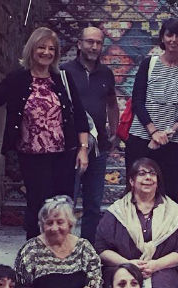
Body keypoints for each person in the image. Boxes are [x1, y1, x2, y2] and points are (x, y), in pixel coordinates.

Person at [0, 27, 90, 239]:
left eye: (51, 49)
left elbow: (79, 114)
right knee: (38, 204)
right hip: (32, 156)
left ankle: (61, 247)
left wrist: (83, 149)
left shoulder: (63, 78)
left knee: (63, 204)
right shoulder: (17, 79)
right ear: (32, 49)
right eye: (41, 47)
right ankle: (34, 247)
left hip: (64, 154)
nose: (46, 52)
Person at [95, 158, 178, 288]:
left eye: (152, 173)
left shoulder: (174, 212)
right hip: (123, 267)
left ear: (158, 180)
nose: (148, 177)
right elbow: (101, 249)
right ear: (132, 181)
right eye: (142, 173)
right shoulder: (117, 212)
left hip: (162, 269)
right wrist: (128, 264)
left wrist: (155, 265)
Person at [125, 17, 178, 204]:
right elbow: (138, 102)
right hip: (142, 140)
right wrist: (154, 132)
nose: (174, 40)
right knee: (138, 194)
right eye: (169, 35)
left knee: (171, 197)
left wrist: (169, 133)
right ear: (162, 37)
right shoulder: (148, 64)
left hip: (175, 144)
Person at [61, 26, 119, 243]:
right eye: (90, 42)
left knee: (93, 204)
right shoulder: (64, 71)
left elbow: (112, 104)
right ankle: (63, 247)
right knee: (67, 201)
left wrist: (115, 133)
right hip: (70, 147)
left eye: (98, 43)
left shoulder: (106, 73)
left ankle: (88, 249)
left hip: (98, 148)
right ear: (79, 44)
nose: (94, 47)